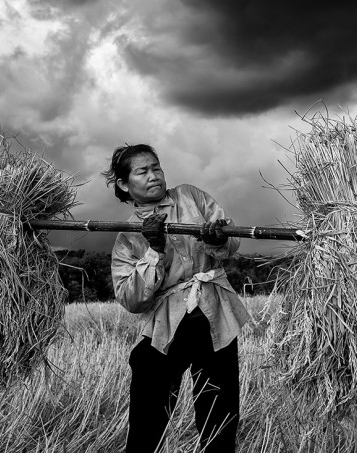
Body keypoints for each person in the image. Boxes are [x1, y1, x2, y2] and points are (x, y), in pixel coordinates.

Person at [102, 144, 251, 453]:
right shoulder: (127, 236)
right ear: (124, 184)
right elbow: (130, 300)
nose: (153, 176)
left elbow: (232, 239)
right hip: (167, 327)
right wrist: (155, 249)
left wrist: (219, 237)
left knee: (219, 414)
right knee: (147, 413)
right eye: (142, 171)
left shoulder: (191, 197)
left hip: (214, 318)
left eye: (156, 168)